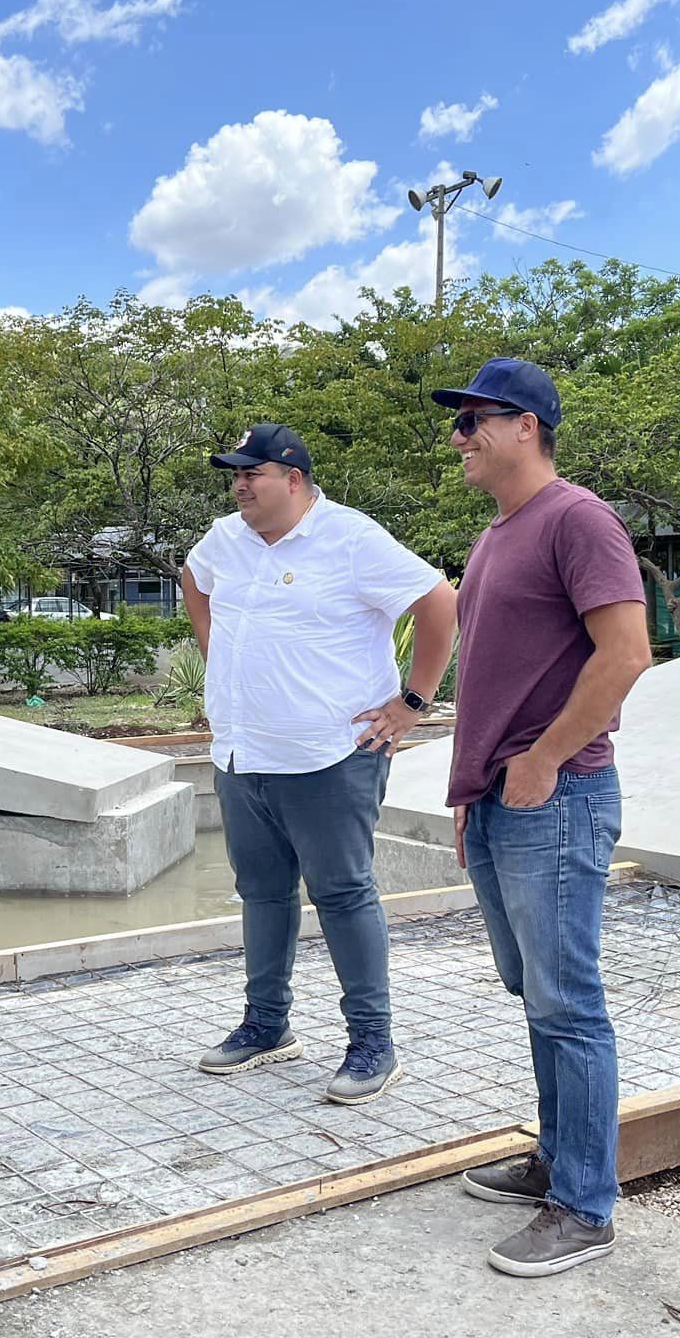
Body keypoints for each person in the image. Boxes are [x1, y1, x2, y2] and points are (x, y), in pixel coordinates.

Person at [432, 359, 651, 1276]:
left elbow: (628, 651)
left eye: (475, 419)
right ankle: (559, 1162)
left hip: (556, 797)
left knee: (569, 1005)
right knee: (538, 995)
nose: (460, 438)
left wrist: (547, 756)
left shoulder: (578, 519)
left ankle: (586, 1208)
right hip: (502, 802)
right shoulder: (496, 536)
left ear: (527, 425)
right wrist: (474, 790)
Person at [181, 422, 458, 1105]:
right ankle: (267, 1027)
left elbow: (439, 601)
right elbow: (192, 577)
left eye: (254, 473)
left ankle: (373, 1042)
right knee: (263, 893)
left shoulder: (351, 538)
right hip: (244, 752)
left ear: (295, 480)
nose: (240, 485)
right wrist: (220, 656)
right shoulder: (226, 538)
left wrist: (414, 700)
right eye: (236, 475)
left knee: (342, 893)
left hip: (330, 756)